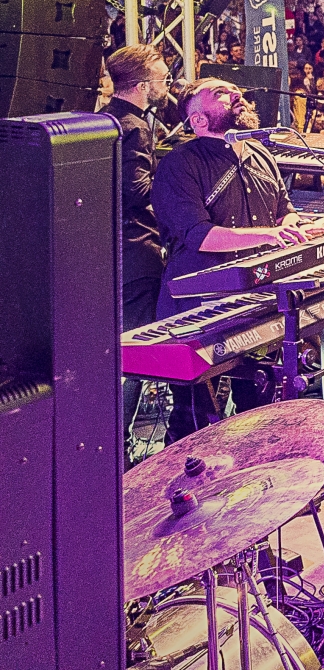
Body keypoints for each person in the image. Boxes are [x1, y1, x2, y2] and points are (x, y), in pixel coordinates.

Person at [151, 79, 324, 437]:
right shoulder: (179, 164)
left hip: (255, 298)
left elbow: (283, 211)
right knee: (196, 419)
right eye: (220, 93)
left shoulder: (259, 153)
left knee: (258, 411)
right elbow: (200, 236)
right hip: (199, 307)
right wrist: (270, 235)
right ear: (198, 121)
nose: (236, 93)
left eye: (234, 89)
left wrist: (297, 227)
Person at [103, 44, 171, 432]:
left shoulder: (103, 118)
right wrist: (176, 183)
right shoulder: (136, 127)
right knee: (134, 351)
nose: (167, 84)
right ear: (143, 85)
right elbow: (137, 190)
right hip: (137, 252)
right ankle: (117, 442)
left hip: (111, 250)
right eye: (162, 78)